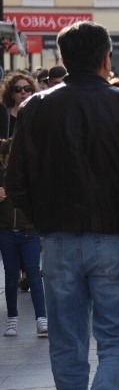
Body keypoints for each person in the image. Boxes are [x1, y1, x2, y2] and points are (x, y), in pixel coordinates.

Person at [6, 21, 119, 390]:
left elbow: (15, 181)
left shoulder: (36, 107)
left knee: (66, 342)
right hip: (116, 237)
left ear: (62, 59)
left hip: (57, 240)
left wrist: (45, 221)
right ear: (108, 58)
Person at [0, 138, 47, 337]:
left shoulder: (29, 174)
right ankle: (12, 318)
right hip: (6, 231)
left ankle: (41, 318)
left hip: (29, 231)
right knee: (10, 277)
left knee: (33, 274)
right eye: (8, 158)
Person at [2, 72, 37, 136]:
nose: (23, 92)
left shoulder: (39, 114)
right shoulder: (4, 115)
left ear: (32, 92)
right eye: (17, 89)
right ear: (11, 94)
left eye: (27, 88)